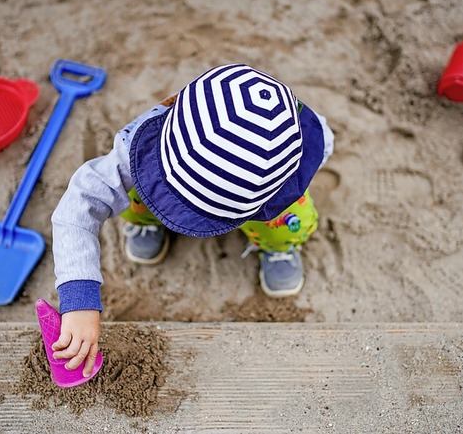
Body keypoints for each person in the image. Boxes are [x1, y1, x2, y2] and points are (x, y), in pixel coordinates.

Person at [50, 64, 334, 377]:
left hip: (262, 200)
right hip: (162, 172)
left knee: (289, 218)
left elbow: (319, 151)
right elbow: (80, 204)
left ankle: (277, 244)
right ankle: (149, 218)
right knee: (134, 192)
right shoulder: (138, 146)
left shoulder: (306, 141)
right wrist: (78, 299)